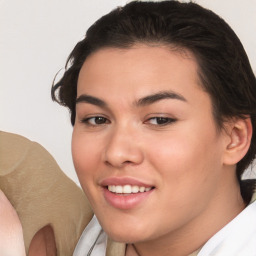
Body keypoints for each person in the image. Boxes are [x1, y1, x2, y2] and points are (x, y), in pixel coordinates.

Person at [51, 1, 256, 255]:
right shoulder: (53, 234)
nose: (116, 153)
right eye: (97, 119)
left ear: (234, 138)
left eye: (159, 120)